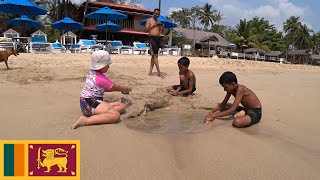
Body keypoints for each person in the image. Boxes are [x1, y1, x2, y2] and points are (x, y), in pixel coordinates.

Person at [72, 50, 132, 129]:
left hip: (86, 102)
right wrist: (125, 88)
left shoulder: (92, 73)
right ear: (101, 66)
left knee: (121, 106)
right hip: (90, 103)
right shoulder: (100, 78)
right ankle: (85, 120)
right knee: (115, 115)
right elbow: (113, 87)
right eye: (107, 65)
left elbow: (104, 89)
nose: (109, 67)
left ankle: (102, 114)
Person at [145, 8, 164, 77]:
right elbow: (146, 30)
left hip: (157, 39)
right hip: (151, 38)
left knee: (154, 56)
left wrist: (161, 28)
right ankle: (159, 72)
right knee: (155, 55)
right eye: (155, 13)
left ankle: (150, 72)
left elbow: (160, 32)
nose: (156, 15)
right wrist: (152, 26)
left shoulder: (159, 22)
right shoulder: (149, 20)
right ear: (153, 13)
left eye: (158, 14)